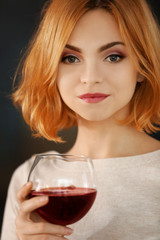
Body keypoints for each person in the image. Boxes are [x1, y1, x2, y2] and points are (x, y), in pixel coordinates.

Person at [1, 0, 160, 239]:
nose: (90, 77)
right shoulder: (30, 179)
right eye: (70, 58)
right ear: (51, 69)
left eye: (114, 57)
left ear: (141, 66)